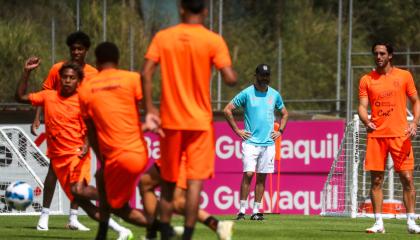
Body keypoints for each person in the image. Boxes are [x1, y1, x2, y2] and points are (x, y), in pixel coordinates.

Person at [141, 0, 237, 238]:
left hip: (171, 122)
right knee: (194, 183)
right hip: (200, 124)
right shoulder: (213, 40)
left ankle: (163, 232)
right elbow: (229, 77)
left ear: (181, 9)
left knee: (168, 183)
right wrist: (229, 73)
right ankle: (187, 236)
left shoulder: (164, 37)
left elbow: (145, 72)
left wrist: (150, 108)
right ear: (205, 11)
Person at [16, 59, 133, 239]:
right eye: (64, 77)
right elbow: (20, 97)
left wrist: (86, 144)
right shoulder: (48, 96)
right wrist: (26, 72)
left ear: (78, 81)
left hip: (76, 155)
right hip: (58, 159)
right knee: (84, 203)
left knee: (80, 191)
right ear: (59, 79)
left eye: (71, 78)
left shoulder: (82, 101)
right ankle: (122, 231)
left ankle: (116, 197)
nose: (67, 80)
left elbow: (91, 124)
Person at [78, 42, 161, 240]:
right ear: (118, 60)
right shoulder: (132, 79)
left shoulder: (86, 89)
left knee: (119, 207)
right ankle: (103, 231)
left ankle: (162, 228)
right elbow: (146, 103)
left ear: (96, 62)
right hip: (139, 152)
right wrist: (150, 113)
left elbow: (91, 132)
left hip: (117, 157)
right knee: (100, 178)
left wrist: (102, 158)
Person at [28, 31, 97, 231]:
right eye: (73, 49)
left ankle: (73, 218)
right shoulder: (59, 69)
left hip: (82, 129)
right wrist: (37, 117)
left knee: (78, 176)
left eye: (80, 49)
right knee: (53, 171)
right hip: (61, 130)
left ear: (86, 51)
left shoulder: (93, 73)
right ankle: (44, 217)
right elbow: (45, 93)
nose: (76, 52)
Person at [358, 42, 420, 234]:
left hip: (400, 136)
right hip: (377, 136)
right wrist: (366, 120)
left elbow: (416, 101)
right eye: (376, 53)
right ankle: (378, 223)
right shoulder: (366, 79)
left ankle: (411, 222)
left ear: (390, 55)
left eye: (382, 53)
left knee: (407, 179)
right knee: (376, 181)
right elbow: (361, 106)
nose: (378, 56)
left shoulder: (404, 76)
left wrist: (414, 122)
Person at [223, 63, 288, 221]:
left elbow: (285, 113)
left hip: (268, 144)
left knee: (262, 177)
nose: (265, 78)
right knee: (249, 174)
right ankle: (241, 210)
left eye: (267, 75)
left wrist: (280, 131)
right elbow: (227, 110)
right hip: (251, 142)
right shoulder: (247, 93)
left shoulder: (274, 94)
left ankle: (257, 211)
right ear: (256, 76)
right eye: (262, 75)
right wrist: (237, 130)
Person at [139, 154, 234, 240]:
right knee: (145, 183)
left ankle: (217, 225)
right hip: (170, 153)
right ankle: (151, 235)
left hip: (180, 154)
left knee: (176, 202)